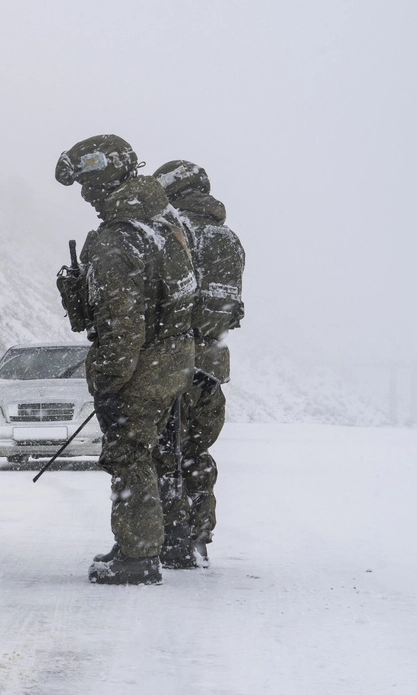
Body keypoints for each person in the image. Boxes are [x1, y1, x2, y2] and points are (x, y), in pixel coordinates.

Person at [54, 135, 197, 585]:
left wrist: (109, 382)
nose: (85, 197)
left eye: (85, 185)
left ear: (100, 180)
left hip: (141, 367)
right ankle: (160, 540)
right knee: (159, 453)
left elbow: (121, 326)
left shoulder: (117, 240)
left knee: (128, 454)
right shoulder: (166, 224)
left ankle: (137, 557)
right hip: (174, 359)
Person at [153, 160, 245, 568]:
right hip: (211, 367)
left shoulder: (175, 233)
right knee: (195, 452)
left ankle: (170, 537)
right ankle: (197, 535)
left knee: (164, 452)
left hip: (171, 362)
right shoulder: (228, 238)